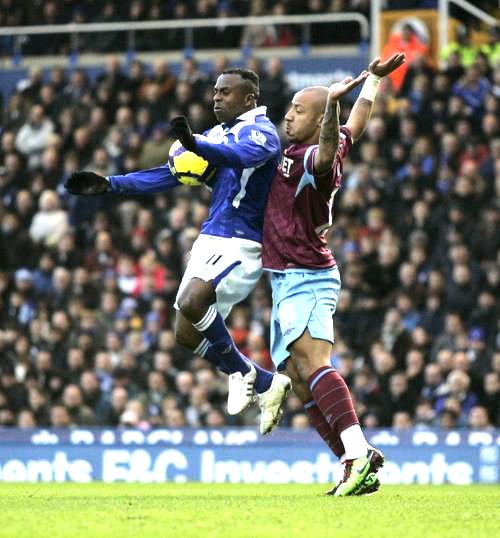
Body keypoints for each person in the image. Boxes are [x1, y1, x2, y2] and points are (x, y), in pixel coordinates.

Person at [64, 68, 291, 434]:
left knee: (191, 301)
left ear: (249, 98)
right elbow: (169, 174)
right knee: (185, 332)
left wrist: (198, 146)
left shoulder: (261, 133)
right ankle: (264, 381)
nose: (216, 97)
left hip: (242, 240)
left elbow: (239, 156)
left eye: (226, 92)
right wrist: (111, 185)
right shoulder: (216, 134)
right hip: (211, 236)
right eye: (215, 91)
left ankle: (242, 372)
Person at [261, 53, 406, 496]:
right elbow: (354, 127)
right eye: (289, 108)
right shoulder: (309, 147)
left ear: (319, 118)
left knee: (313, 363)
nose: (288, 116)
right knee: (296, 374)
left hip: (306, 274)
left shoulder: (312, 160)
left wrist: (332, 105)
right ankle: (352, 464)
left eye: (298, 110)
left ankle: (358, 453)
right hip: (287, 277)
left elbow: (326, 153)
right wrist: (373, 83)